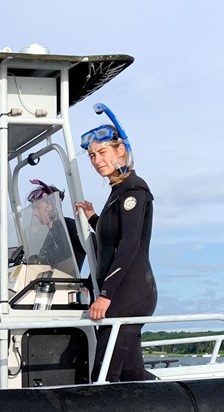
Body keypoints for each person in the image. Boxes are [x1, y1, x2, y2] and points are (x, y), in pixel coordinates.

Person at [74, 107, 157, 382]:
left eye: (103, 153)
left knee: (104, 373)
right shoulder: (117, 192)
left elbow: (130, 244)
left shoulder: (134, 189)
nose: (97, 161)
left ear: (120, 150)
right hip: (123, 293)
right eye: (92, 156)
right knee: (132, 373)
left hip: (130, 293)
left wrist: (106, 293)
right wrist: (93, 217)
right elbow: (112, 234)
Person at [26, 179, 84, 275]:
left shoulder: (69, 226)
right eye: (33, 208)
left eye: (38, 207)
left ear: (51, 206)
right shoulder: (48, 234)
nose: (35, 213)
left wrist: (91, 283)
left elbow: (96, 247)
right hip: (49, 286)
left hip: (69, 286)